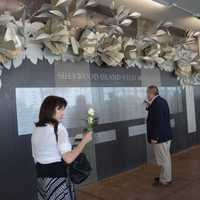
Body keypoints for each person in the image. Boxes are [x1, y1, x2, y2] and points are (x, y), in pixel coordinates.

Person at [31, 96, 92, 200]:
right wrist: (84, 142)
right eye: (60, 109)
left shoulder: (36, 129)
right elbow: (68, 158)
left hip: (42, 179)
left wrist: (80, 139)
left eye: (64, 109)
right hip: (58, 179)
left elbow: (48, 150)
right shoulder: (59, 128)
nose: (63, 113)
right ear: (50, 109)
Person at [146, 85, 173, 186]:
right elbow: (160, 116)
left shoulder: (155, 104)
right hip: (166, 135)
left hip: (160, 137)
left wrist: (155, 137)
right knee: (166, 157)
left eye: (147, 93)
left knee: (163, 159)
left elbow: (158, 122)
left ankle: (165, 179)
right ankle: (164, 177)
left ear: (151, 93)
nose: (147, 95)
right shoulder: (162, 101)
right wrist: (149, 108)